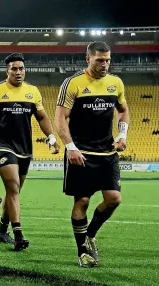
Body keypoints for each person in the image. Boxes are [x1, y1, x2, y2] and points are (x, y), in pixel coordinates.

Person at [0, 53, 60, 250]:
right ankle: (19, 235)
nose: (18, 72)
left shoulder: (33, 92)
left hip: (25, 149)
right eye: (14, 68)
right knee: (13, 189)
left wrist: (51, 137)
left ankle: (2, 231)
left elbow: (42, 117)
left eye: (21, 68)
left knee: (14, 192)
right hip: (3, 146)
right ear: (7, 71)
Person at [55, 42, 128, 268]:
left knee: (114, 199)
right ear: (88, 59)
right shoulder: (73, 83)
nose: (105, 64)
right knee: (83, 201)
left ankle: (90, 234)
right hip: (81, 153)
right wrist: (70, 147)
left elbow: (123, 110)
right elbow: (60, 118)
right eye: (100, 60)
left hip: (107, 151)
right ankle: (82, 252)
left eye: (107, 60)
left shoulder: (115, 83)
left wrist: (122, 134)